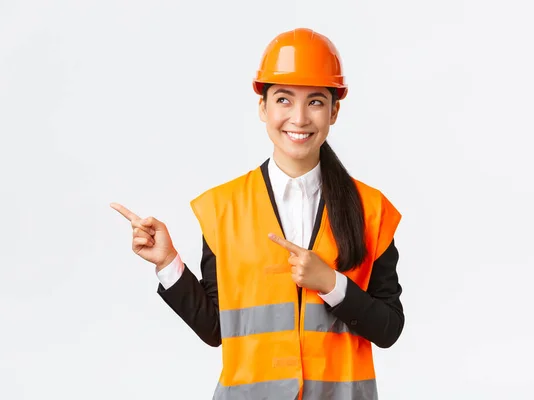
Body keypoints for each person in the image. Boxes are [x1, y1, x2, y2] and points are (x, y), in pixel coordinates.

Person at [111, 27, 405, 400]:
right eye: (284, 99)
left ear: (334, 111)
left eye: (315, 101)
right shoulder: (223, 209)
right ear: (263, 107)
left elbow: (389, 328)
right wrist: (168, 263)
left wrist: (331, 283)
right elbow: (217, 330)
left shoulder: (371, 210)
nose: (298, 118)